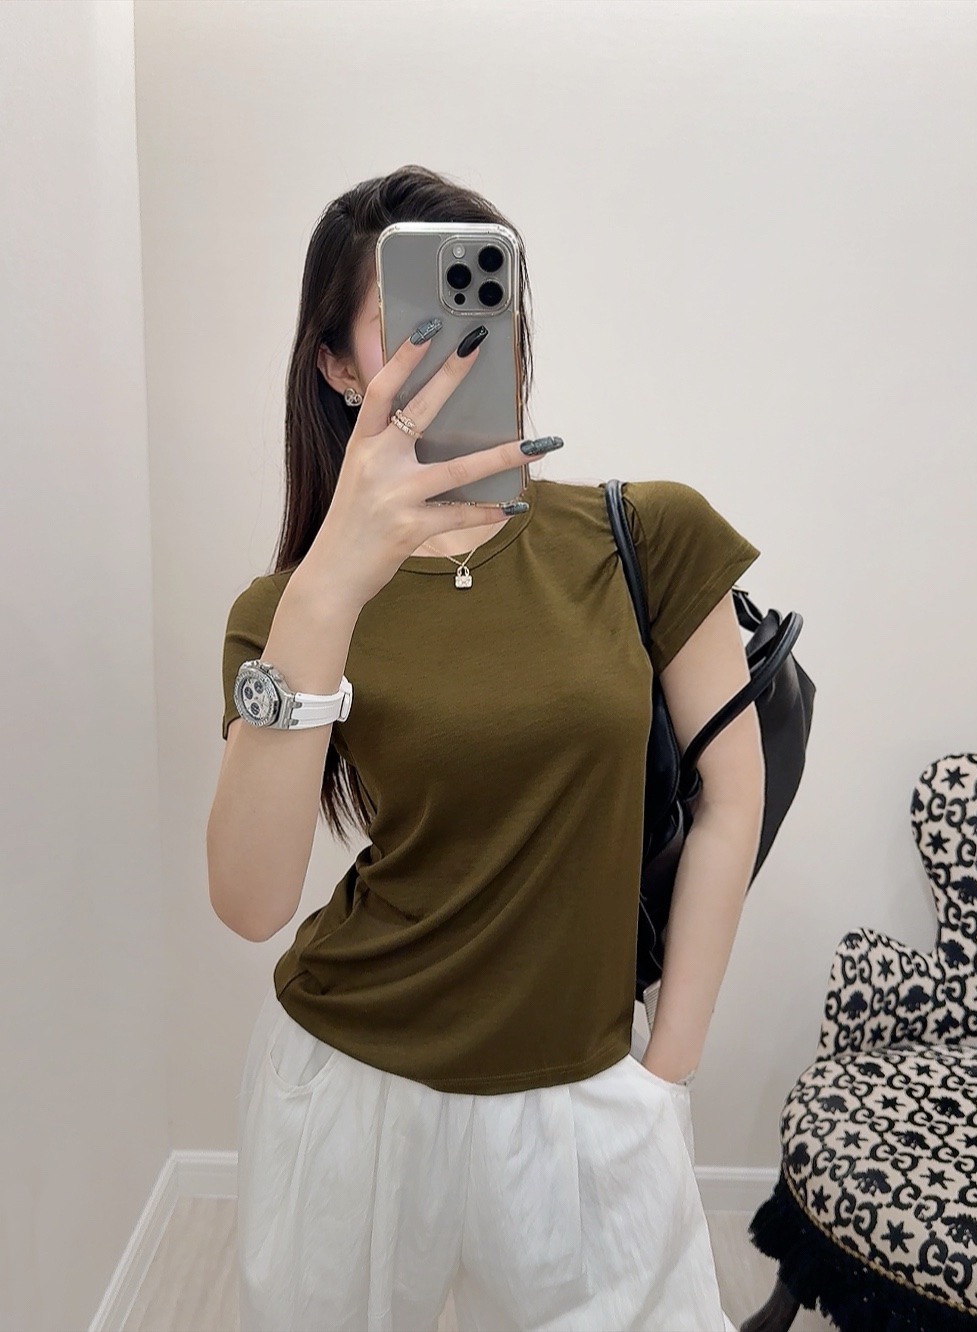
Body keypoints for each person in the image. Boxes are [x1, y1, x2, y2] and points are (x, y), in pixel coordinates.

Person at [207, 165, 765, 1332]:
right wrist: (330, 588)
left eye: (483, 298)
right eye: (414, 314)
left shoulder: (642, 534)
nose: (461, 342)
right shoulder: (286, 609)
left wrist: (663, 1077)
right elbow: (251, 901)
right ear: (338, 365)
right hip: (349, 1086)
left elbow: (729, 798)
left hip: (585, 1091)